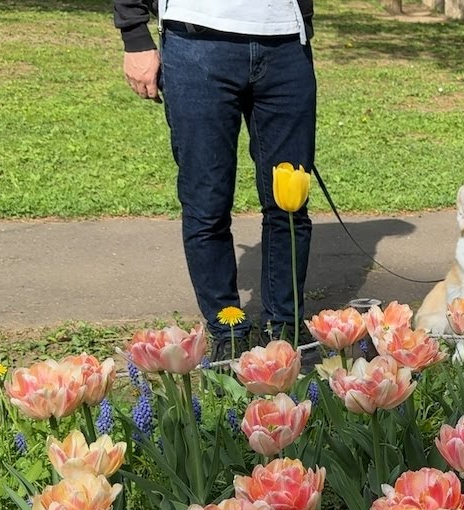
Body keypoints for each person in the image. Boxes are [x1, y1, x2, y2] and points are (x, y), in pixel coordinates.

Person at [113, 0, 318, 359]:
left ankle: (285, 328)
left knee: (289, 203)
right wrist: (135, 35)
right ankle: (229, 333)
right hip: (195, 42)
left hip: (285, 42)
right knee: (207, 204)